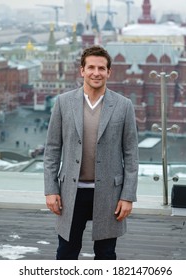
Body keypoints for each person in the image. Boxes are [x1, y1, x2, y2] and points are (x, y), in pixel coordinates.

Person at [43, 45, 139, 260]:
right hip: (71, 192)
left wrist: (128, 196)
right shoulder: (63, 103)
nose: (97, 73)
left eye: (102, 68)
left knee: (105, 254)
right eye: (92, 67)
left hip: (109, 193)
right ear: (82, 70)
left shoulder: (124, 106)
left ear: (109, 72)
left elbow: (131, 154)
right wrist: (51, 189)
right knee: (66, 252)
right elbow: (52, 150)